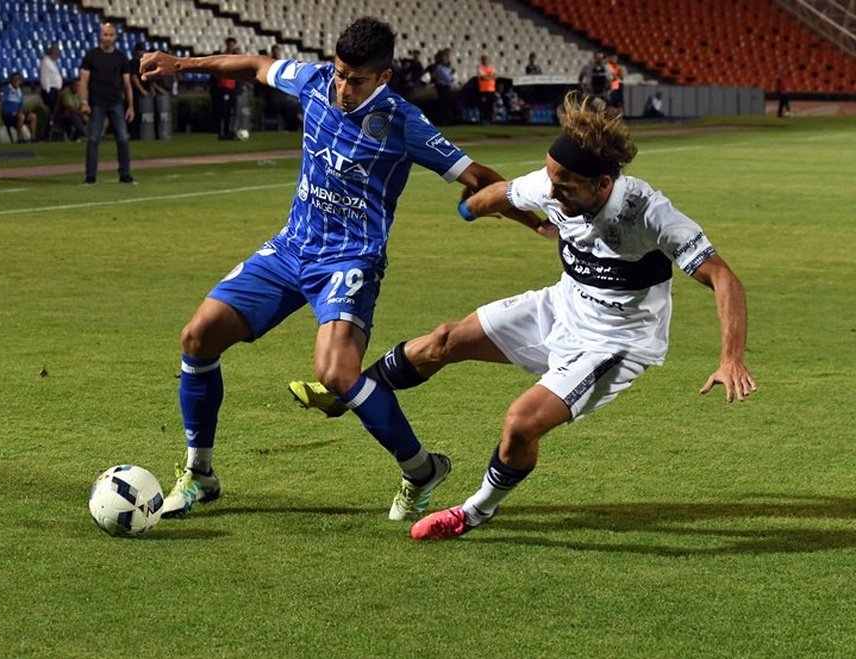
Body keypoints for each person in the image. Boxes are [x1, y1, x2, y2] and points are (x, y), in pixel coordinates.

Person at [290, 91, 757, 540]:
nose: (551, 190)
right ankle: (349, 397)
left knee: (520, 423)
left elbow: (723, 278)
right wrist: (471, 208)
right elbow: (504, 194)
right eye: (550, 179)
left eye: (563, 187)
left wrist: (731, 358)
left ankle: (475, 511)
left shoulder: (649, 214)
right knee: (443, 340)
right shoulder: (555, 183)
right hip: (561, 306)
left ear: (602, 184)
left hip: (614, 341)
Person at [139, 16, 525, 521]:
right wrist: (183, 64)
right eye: (340, 73)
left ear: (383, 76)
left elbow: (476, 176)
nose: (343, 87)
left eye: (356, 79)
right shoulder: (315, 81)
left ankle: (421, 469)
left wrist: (537, 220)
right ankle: (200, 473)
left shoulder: (402, 122)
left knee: (337, 374)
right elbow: (256, 65)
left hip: (350, 259)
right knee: (198, 336)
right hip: (291, 248)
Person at [79, 22, 135, 184]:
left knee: (123, 138)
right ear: (100, 35)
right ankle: (90, 176)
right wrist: (84, 102)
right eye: (105, 35)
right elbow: (83, 81)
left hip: (116, 102)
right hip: (97, 103)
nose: (108, 38)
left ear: (116, 37)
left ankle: (125, 174)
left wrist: (130, 106)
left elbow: (127, 84)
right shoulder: (91, 56)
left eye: (111, 35)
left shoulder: (121, 58)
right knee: (94, 138)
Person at [0, 72, 39, 143]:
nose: (17, 81)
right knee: (21, 117)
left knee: (33, 116)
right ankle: (20, 138)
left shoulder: (20, 91)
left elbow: (21, 105)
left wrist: (23, 110)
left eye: (18, 80)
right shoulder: (6, 90)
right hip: (8, 115)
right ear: (11, 81)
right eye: (15, 80)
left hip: (18, 114)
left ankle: (33, 137)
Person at [39, 44, 64, 137]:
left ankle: (51, 132)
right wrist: (47, 91)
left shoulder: (51, 63)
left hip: (55, 90)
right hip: (50, 91)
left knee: (54, 112)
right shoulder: (46, 62)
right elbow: (45, 77)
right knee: (51, 112)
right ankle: (46, 133)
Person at [476, 55, 497, 123]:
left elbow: (495, 76)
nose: (485, 61)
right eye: (484, 60)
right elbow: (482, 77)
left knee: (491, 105)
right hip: (483, 90)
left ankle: (490, 119)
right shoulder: (480, 68)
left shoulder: (492, 68)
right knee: (484, 105)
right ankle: (484, 119)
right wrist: (490, 77)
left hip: (491, 89)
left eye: (486, 59)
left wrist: (487, 77)